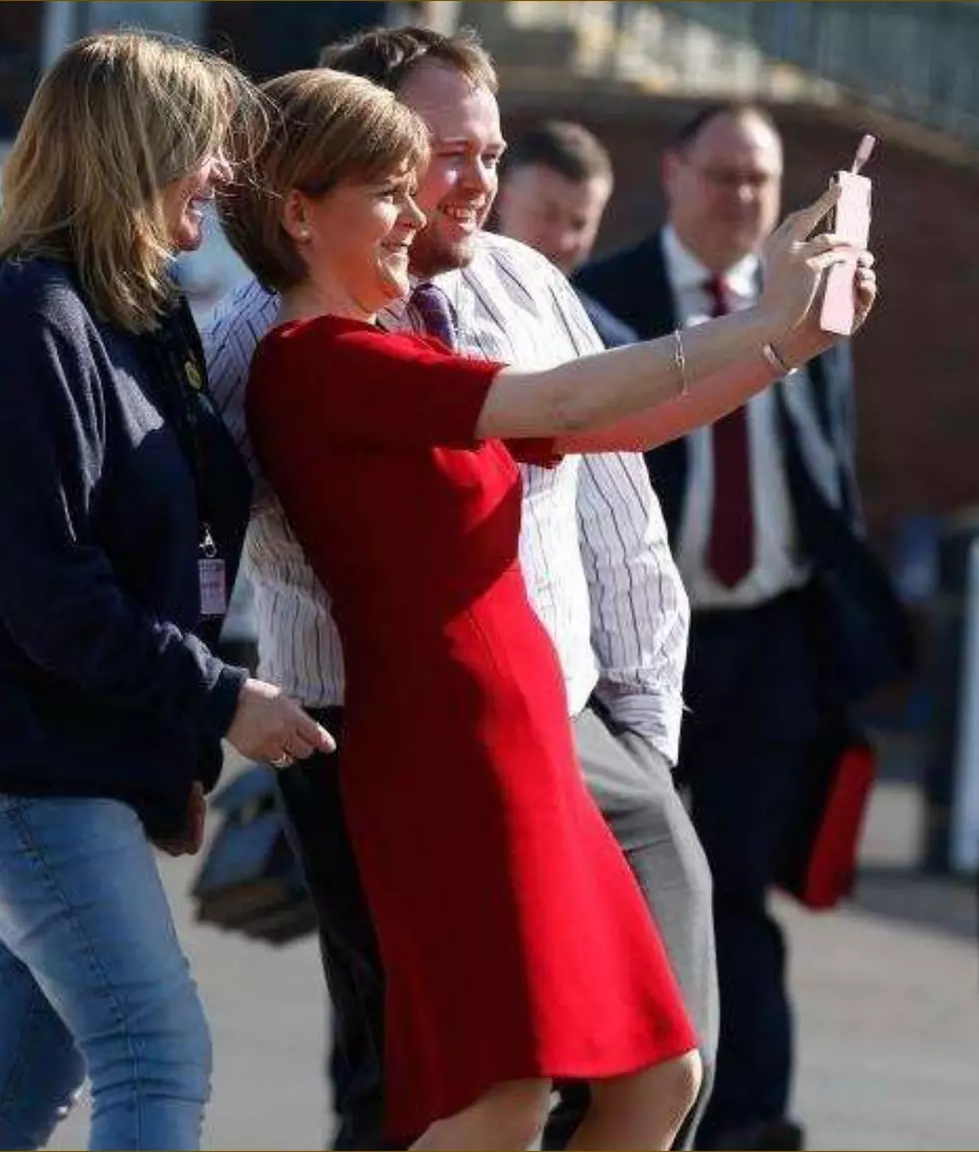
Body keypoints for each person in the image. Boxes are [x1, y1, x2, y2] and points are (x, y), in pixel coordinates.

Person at [222, 67, 874, 1150]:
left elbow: (606, 426)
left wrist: (789, 336)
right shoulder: (312, 361)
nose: (417, 211)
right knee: (501, 1096)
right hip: (446, 748)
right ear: (298, 212)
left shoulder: (401, 349)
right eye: (389, 191)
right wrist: (759, 309)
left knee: (657, 1074)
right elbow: (564, 398)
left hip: (532, 729)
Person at [0, 33, 332, 1151]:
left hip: (75, 754)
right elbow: (45, 586)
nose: (222, 173)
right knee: (154, 1059)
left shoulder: (143, 308)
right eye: (204, 147)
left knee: (16, 1089)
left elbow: (168, 550)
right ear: (135, 151)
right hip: (12, 754)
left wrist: (158, 761)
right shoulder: (26, 321)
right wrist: (219, 703)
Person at [576, 102, 914, 1151]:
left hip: (764, 643)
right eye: (720, 175)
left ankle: (748, 1119)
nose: (739, 199)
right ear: (671, 173)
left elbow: (829, 473)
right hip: (630, 651)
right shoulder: (602, 302)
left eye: (758, 182)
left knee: (738, 889)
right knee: (626, 887)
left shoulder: (811, 304)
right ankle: (610, 1101)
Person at [493, 118, 637, 348]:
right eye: (547, 215)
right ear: (502, 198)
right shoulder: (439, 304)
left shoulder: (608, 346)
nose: (562, 240)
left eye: (579, 224)